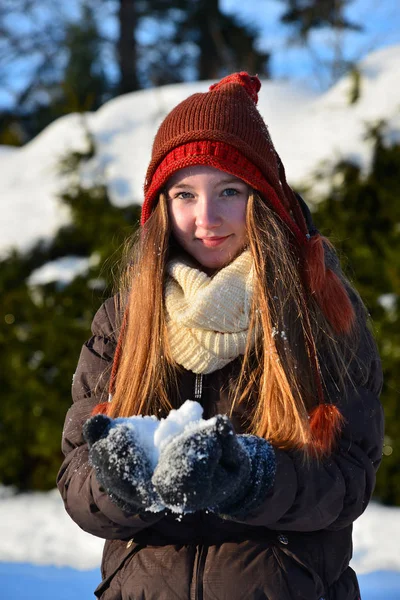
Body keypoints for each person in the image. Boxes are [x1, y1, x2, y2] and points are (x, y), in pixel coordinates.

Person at [57, 72, 384, 600]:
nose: (205, 218)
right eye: (184, 193)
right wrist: (122, 483)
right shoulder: (126, 317)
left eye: (228, 191)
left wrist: (250, 478)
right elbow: (76, 480)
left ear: (262, 199)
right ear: (160, 205)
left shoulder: (320, 312)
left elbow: (348, 480)